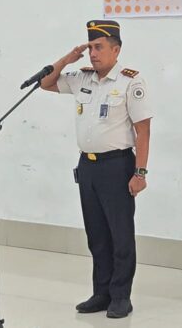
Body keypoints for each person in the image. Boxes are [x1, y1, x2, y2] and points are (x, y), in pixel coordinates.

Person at [39, 20, 152, 319]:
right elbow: (45, 83)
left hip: (117, 165)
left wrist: (140, 173)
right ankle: (101, 293)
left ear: (116, 50)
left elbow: (143, 131)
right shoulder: (82, 78)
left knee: (120, 235)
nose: (93, 53)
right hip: (87, 167)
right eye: (90, 47)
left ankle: (120, 296)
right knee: (97, 235)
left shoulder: (130, 82)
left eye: (99, 47)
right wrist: (67, 59)